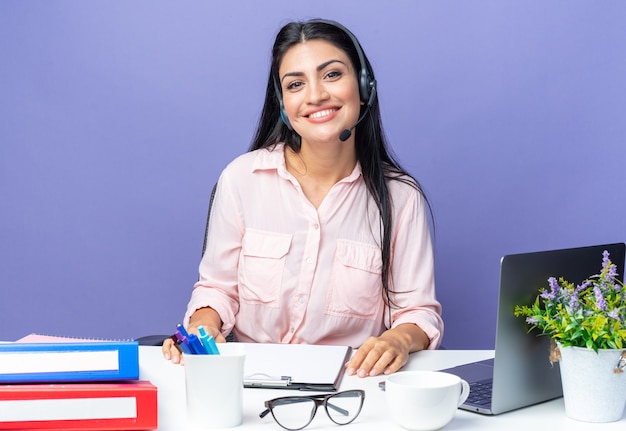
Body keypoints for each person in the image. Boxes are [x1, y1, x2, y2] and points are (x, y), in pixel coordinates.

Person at [163, 18, 443, 378]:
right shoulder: (241, 179)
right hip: (251, 381)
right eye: (296, 84)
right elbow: (218, 289)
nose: (315, 96)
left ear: (363, 86)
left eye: (332, 75)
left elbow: (417, 312)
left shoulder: (401, 197)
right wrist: (205, 326)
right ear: (283, 104)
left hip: (353, 386)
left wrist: (399, 340)